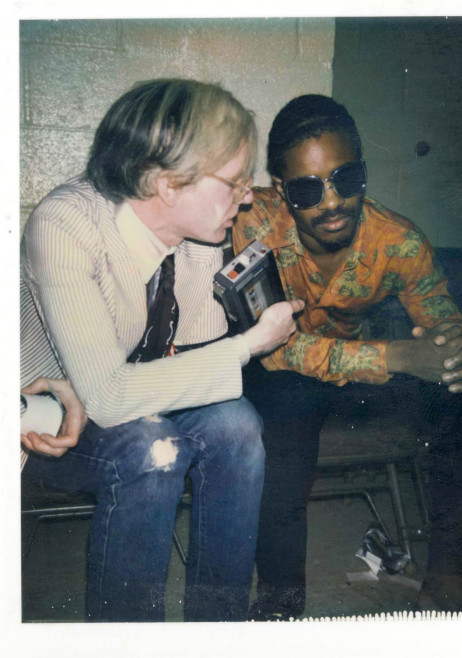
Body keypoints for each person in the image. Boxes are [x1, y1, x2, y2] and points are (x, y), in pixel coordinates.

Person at [20, 78, 303, 623]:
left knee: (237, 424)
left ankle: (218, 624)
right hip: (42, 416)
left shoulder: (198, 234)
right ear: (167, 184)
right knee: (154, 448)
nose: (247, 197)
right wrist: (248, 345)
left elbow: (182, 362)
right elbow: (106, 396)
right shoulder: (65, 225)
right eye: (235, 182)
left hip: (117, 395)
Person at [232, 94, 462, 620]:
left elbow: (440, 324)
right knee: (283, 412)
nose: (330, 203)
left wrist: (459, 352)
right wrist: (397, 356)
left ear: (363, 172)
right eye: (306, 189)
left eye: (346, 180)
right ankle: (281, 607)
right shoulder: (253, 221)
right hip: (280, 366)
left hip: (352, 369)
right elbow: (277, 351)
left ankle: (447, 579)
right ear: (281, 190)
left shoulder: (400, 241)